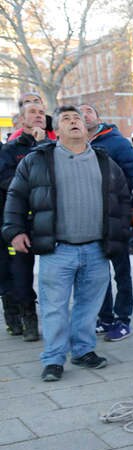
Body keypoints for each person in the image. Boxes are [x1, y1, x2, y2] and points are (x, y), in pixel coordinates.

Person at [2, 105, 131, 381]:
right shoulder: (38, 160)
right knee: (54, 307)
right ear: (56, 130)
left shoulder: (104, 160)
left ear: (86, 128)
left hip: (96, 248)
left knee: (89, 306)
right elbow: (16, 196)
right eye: (66, 119)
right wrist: (14, 230)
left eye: (78, 119)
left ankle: (84, 351)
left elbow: (121, 198)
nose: (74, 122)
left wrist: (120, 232)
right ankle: (53, 359)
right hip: (57, 249)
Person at [79, 103, 133, 342]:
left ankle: (123, 319)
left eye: (89, 110)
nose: (84, 114)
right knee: (99, 272)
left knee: (121, 270)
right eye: (80, 112)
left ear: (98, 117)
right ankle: (105, 317)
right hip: (89, 220)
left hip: (116, 219)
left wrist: (130, 209)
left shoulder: (116, 143)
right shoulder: (76, 145)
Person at [0, 101, 49, 341]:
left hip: (48, 221)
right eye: (33, 112)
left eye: (42, 112)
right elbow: (7, 183)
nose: (39, 116)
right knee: (17, 274)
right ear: (21, 120)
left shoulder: (52, 146)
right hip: (20, 221)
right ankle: (23, 317)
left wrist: (43, 144)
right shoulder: (9, 151)